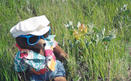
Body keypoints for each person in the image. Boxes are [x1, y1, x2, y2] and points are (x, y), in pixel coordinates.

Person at [10, 15, 68, 81]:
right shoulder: (23, 56)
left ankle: (58, 77)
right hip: (36, 76)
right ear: (23, 42)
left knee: (58, 65)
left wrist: (63, 56)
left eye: (45, 35)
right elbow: (21, 72)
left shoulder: (48, 41)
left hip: (54, 68)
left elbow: (60, 53)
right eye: (34, 39)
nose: (42, 40)